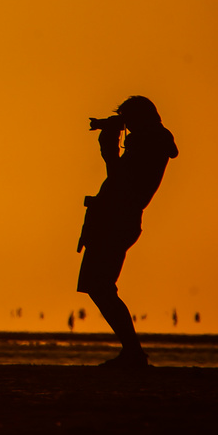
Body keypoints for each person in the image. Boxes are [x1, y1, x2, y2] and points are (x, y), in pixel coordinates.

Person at [77, 95, 179, 368]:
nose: (128, 128)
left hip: (116, 221)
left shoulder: (147, 142)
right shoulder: (152, 140)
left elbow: (120, 179)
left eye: (130, 121)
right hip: (116, 219)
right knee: (100, 287)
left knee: (100, 286)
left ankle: (133, 352)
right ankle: (132, 351)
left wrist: (109, 151)